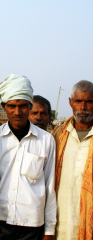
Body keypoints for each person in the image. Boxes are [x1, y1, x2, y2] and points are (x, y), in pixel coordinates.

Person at [0, 74, 56, 240]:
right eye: (11, 106)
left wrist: (49, 230)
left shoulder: (46, 140)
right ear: (4, 106)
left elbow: (49, 186)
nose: (17, 112)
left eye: (23, 106)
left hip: (32, 224)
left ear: (30, 105)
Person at [52, 80, 93, 240]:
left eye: (89, 102)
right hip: (58, 226)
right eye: (78, 101)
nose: (83, 108)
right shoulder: (57, 136)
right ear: (70, 102)